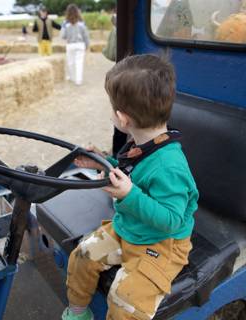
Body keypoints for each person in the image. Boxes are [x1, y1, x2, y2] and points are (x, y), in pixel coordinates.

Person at [62, 54, 199, 320]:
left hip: (161, 244)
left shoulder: (170, 166)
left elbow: (171, 220)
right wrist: (103, 161)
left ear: (122, 118)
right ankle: (78, 313)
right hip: (129, 227)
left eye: (111, 106)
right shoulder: (143, 144)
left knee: (125, 302)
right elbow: (131, 172)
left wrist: (129, 195)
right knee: (81, 256)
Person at [61, 4, 89, 85]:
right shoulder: (82, 23)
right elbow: (86, 36)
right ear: (77, 12)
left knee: (71, 63)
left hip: (70, 45)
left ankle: (73, 78)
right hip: (80, 45)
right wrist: (87, 45)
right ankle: (78, 80)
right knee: (79, 62)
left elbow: (63, 36)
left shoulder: (65, 24)